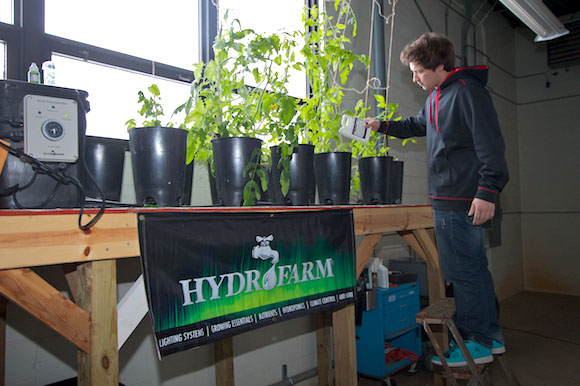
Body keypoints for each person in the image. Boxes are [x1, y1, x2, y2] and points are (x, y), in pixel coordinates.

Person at [365, 32, 509, 367]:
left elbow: (491, 144)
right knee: (473, 269)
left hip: (462, 200)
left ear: (440, 65)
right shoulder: (436, 96)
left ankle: (477, 342)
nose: (414, 78)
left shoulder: (468, 93)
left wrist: (488, 191)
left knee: (464, 273)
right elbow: (418, 125)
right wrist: (380, 125)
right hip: (447, 200)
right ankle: (491, 335)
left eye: (418, 71)